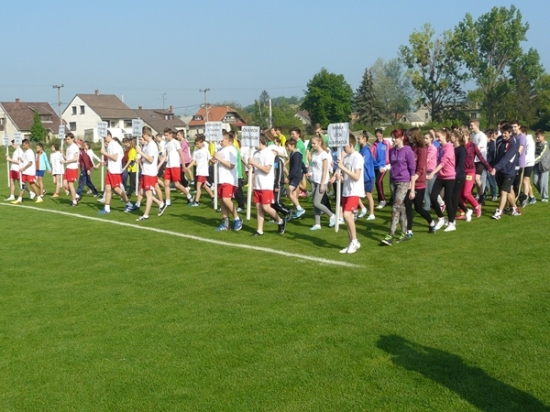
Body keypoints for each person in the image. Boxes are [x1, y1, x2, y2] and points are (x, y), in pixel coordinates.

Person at [247, 134, 286, 236]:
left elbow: (267, 169)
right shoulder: (255, 153)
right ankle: (259, 230)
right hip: (257, 184)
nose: (254, 146)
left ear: (260, 142)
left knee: (266, 207)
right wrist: (250, 165)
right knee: (258, 207)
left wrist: (254, 163)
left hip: (266, 185)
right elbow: (254, 168)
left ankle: (280, 221)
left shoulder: (269, 153)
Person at [381, 129, 416, 245]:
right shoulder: (392, 151)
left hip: (403, 181)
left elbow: (412, 170)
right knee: (401, 207)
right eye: (392, 137)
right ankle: (404, 232)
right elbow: (391, 164)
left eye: (395, 137)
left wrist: (412, 189)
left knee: (395, 207)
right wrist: (385, 168)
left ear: (402, 138)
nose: (393, 139)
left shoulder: (408, 151)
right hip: (393, 181)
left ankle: (390, 235)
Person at [336, 133, 364, 253]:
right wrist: (340, 177)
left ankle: (355, 241)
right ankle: (350, 243)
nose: (343, 148)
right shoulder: (346, 158)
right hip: (346, 190)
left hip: (354, 190)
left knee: (346, 215)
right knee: (348, 218)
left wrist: (343, 168)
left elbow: (356, 176)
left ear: (351, 145)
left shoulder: (358, 157)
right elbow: (346, 176)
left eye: (345, 146)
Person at [404, 127, 435, 237]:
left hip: (419, 182)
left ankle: (431, 222)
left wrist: (412, 180)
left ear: (416, 136)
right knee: (407, 206)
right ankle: (409, 230)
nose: (409, 137)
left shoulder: (422, 149)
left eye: (410, 135)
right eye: (408, 135)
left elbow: (421, 168)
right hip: (409, 181)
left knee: (418, 208)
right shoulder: (409, 148)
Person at [212, 130, 243, 231]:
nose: (220, 142)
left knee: (226, 200)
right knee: (222, 201)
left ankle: (237, 218)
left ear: (228, 140)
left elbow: (231, 165)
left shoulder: (232, 150)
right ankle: (225, 223)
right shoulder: (220, 150)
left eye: (222, 140)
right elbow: (216, 162)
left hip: (229, 179)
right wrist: (213, 159)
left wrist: (219, 159)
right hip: (220, 179)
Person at [427, 129, 457, 232]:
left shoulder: (449, 147)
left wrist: (432, 173)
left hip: (449, 177)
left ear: (444, 136)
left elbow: (443, 162)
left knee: (448, 200)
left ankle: (451, 223)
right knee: (433, 197)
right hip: (440, 177)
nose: (437, 139)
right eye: (436, 137)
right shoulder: (439, 148)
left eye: (438, 136)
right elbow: (437, 162)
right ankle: (441, 218)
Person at [134, 126, 166, 221]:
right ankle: (160, 204)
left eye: (143, 135)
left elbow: (151, 159)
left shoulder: (152, 145)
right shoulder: (147, 145)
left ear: (146, 134)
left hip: (150, 172)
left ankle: (146, 215)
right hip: (145, 171)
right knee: (141, 192)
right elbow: (145, 158)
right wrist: (139, 160)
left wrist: (140, 152)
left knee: (148, 194)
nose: (142, 137)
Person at [98, 131, 133, 214]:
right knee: (108, 188)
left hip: (115, 171)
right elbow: (113, 158)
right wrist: (106, 162)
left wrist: (104, 153)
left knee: (117, 189)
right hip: (110, 169)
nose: (104, 139)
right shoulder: (110, 145)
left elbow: (115, 158)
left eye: (105, 137)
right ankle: (107, 207)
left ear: (109, 135)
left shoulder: (115, 145)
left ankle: (129, 204)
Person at [491, 123, 521, 219]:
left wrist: (496, 168)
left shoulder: (513, 144)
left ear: (510, 133)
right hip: (500, 171)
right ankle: (515, 209)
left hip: (509, 171)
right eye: (502, 133)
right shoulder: (500, 140)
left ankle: (499, 211)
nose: (503, 135)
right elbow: (497, 155)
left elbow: (506, 159)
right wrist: (494, 166)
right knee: (507, 192)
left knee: (503, 191)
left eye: (505, 133)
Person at [159, 128, 194, 209]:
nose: (166, 137)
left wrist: (184, 165)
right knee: (166, 183)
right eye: (165, 135)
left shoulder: (176, 142)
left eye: (167, 135)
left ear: (171, 134)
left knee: (177, 184)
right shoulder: (166, 144)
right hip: (168, 166)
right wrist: (158, 166)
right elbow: (165, 156)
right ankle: (168, 201)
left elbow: (181, 154)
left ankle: (189, 195)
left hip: (175, 166)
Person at [307, 135, 335, 230]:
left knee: (317, 203)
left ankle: (332, 216)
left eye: (314, 143)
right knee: (314, 203)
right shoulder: (314, 154)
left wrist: (322, 184)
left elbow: (325, 170)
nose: (312, 145)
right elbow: (313, 166)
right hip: (314, 180)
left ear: (319, 143)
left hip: (321, 181)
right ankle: (317, 224)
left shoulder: (324, 155)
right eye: (312, 143)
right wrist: (310, 173)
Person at [11, 139, 43, 204]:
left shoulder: (30, 152)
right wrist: (21, 159)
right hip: (25, 172)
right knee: (22, 185)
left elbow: (30, 163)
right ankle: (19, 199)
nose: (23, 146)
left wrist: (23, 168)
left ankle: (39, 197)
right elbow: (25, 161)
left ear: (27, 144)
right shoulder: (25, 152)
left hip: (29, 172)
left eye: (24, 145)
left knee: (32, 185)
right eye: (22, 145)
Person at [187, 134, 214, 207]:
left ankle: (196, 201)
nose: (197, 145)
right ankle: (213, 197)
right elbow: (193, 160)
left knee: (198, 185)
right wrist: (188, 167)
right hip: (198, 171)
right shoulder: (195, 151)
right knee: (204, 185)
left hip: (203, 171)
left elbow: (210, 159)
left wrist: (215, 160)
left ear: (202, 142)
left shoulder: (205, 150)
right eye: (196, 144)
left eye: (198, 144)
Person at [285, 137, 306, 218]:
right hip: (294, 176)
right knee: (293, 194)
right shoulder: (293, 153)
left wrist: (288, 177)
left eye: (288, 146)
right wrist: (305, 170)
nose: (287, 148)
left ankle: (300, 209)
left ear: (293, 145)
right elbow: (301, 163)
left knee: (288, 192)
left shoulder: (296, 154)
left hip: (296, 176)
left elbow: (295, 167)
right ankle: (298, 211)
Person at [370, 128, 391, 209]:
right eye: (376, 136)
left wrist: (387, 165)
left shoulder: (387, 143)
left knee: (378, 182)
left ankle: (383, 200)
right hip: (376, 166)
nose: (378, 137)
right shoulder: (374, 144)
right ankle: (380, 200)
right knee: (378, 183)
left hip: (384, 166)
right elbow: (372, 156)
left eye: (379, 136)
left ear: (382, 135)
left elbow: (390, 153)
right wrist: (377, 165)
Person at [358, 131, 375, 220]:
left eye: (359, 139)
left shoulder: (366, 151)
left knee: (368, 195)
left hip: (368, 177)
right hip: (362, 177)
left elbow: (362, 162)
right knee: (356, 194)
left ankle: (372, 214)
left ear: (364, 139)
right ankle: (363, 208)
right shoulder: (361, 150)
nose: (358, 141)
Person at [470, 119, 488, 202]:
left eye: (472, 125)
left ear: (476, 125)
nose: (470, 127)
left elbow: (477, 148)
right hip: (474, 160)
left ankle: (481, 195)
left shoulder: (482, 136)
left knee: (477, 179)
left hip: (480, 160)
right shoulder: (473, 135)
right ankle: (479, 194)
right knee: (474, 179)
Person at [61, 133, 80, 207]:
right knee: (65, 185)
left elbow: (75, 159)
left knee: (70, 185)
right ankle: (76, 195)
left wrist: (65, 162)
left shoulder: (75, 147)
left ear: (72, 139)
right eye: (66, 139)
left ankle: (74, 201)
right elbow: (68, 158)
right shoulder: (68, 147)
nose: (67, 140)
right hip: (68, 168)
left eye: (68, 139)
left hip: (73, 168)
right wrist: (63, 154)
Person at [533, 129, 549, 202]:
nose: (537, 138)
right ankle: (542, 193)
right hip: (536, 166)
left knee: (543, 182)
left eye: (538, 137)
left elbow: (541, 155)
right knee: (535, 181)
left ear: (543, 136)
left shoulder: (546, 145)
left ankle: (545, 197)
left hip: (544, 166)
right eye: (536, 137)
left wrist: (533, 161)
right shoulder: (536, 144)